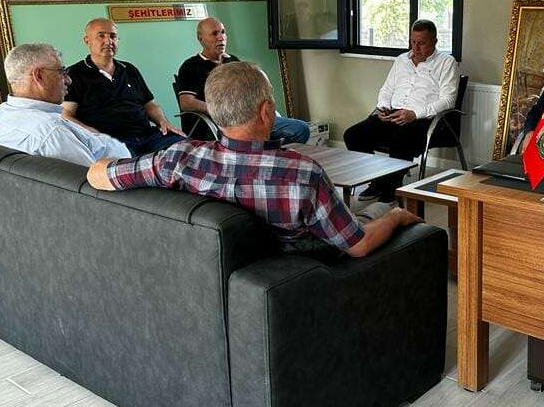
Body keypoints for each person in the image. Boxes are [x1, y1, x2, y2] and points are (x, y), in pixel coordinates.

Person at [87, 61, 421, 258]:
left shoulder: (177, 158)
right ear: (265, 111)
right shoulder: (301, 173)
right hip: (304, 269)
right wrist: (396, 218)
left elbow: (97, 175)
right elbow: (358, 246)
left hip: (228, 266)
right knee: (381, 212)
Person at [343, 19, 459, 201]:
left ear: (435, 41)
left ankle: (390, 192)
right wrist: (383, 106)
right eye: (413, 42)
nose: (416, 47)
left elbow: (448, 101)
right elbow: (387, 89)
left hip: (422, 119)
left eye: (422, 43)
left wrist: (414, 114)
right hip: (393, 114)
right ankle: (378, 181)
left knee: (402, 140)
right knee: (353, 135)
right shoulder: (401, 60)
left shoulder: (446, 62)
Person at [0, 43, 131, 165]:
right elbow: (92, 183)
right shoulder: (53, 133)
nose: (69, 80)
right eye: (62, 72)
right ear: (39, 76)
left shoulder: (0, 114)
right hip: (122, 173)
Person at [176, 17, 310, 144]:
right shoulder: (190, 66)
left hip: (248, 118)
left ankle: (265, 154)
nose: (221, 37)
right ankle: (259, 153)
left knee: (301, 129)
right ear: (201, 39)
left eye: (223, 32)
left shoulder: (233, 61)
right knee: (250, 138)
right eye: (214, 33)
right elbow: (186, 103)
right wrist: (220, 111)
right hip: (221, 125)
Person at [63, 19, 185, 156]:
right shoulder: (74, 74)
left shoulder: (129, 69)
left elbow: (149, 103)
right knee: (136, 165)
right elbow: (66, 114)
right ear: (87, 40)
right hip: (112, 142)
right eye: (101, 36)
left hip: (147, 136)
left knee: (186, 149)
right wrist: (92, 134)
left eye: (113, 36)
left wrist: (163, 121)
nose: (108, 41)